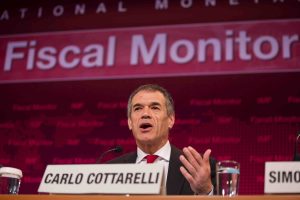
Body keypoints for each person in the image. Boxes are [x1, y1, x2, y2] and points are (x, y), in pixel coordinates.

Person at [108, 84, 216, 195]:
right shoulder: (110, 170)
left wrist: (206, 191)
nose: (145, 114)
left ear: (171, 119)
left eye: (155, 108)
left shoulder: (199, 169)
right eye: (138, 108)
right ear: (130, 122)